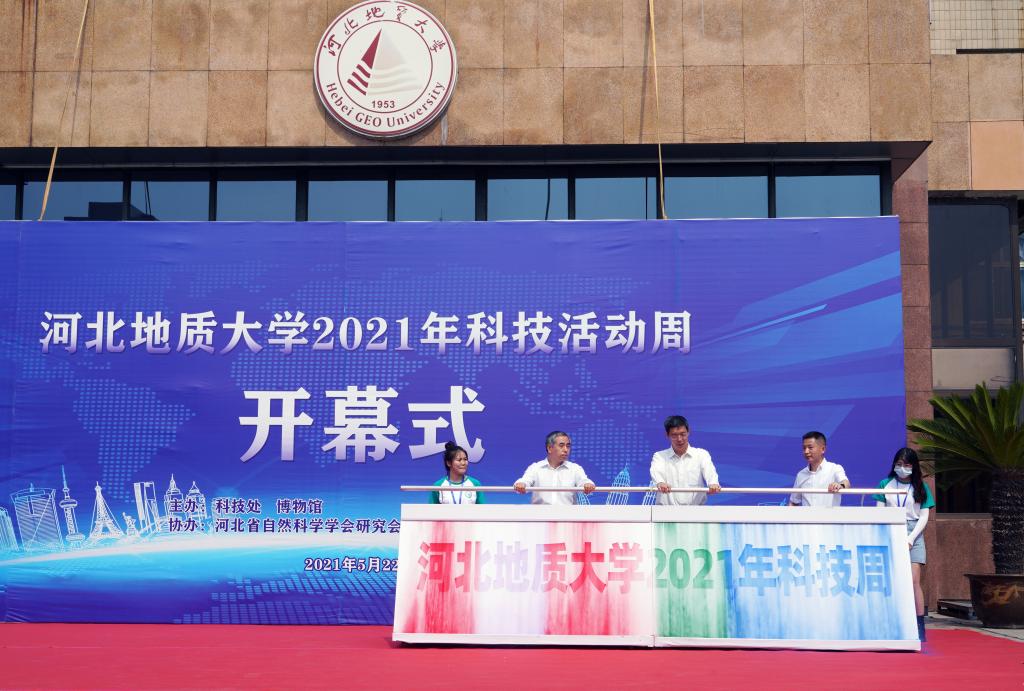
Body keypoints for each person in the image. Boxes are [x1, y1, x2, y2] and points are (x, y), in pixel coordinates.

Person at [873, 447, 934, 642]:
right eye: (899, 464)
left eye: (907, 465)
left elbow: (924, 516)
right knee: (891, 579)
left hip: (914, 533)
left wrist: (911, 538)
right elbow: (879, 511)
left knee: (914, 581)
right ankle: (891, 622)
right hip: (890, 529)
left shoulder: (921, 487)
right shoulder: (885, 484)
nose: (902, 468)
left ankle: (919, 625)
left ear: (913, 466)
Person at [650, 415, 721, 505]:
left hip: (696, 511)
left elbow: (709, 471)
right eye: (674, 435)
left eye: (683, 434)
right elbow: (656, 471)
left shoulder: (701, 454)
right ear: (667, 435)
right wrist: (660, 483)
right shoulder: (659, 456)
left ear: (688, 432)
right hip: (665, 511)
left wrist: (713, 483)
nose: (679, 439)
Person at [513, 431, 596, 505]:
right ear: (549, 448)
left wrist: (587, 485)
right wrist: (521, 484)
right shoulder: (536, 467)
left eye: (568, 446)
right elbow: (525, 481)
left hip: (567, 515)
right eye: (561, 446)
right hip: (540, 515)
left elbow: (584, 481)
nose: (566, 450)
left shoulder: (575, 468)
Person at [789, 431, 849, 507]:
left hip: (830, 514)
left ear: (823, 449)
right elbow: (794, 502)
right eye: (804, 448)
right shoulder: (801, 475)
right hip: (806, 515)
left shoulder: (834, 468)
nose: (806, 451)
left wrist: (839, 485)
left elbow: (846, 483)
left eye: (810, 447)